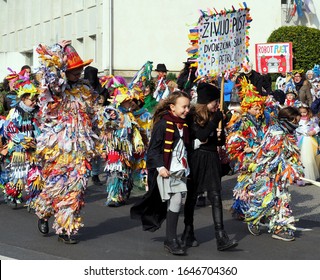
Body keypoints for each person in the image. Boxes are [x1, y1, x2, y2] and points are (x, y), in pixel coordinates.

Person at [33, 40, 98, 244]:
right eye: (73, 70)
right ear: (64, 71)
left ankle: (65, 228)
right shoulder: (55, 91)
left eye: (80, 70)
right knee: (55, 187)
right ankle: (44, 212)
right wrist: (57, 51)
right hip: (58, 147)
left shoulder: (85, 90)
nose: (78, 73)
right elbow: (47, 77)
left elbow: (92, 115)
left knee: (76, 188)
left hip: (80, 147)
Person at [131, 91, 191, 255]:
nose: (187, 110)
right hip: (167, 170)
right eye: (183, 107)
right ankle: (171, 239)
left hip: (180, 171)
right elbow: (153, 150)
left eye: (188, 106)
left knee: (176, 202)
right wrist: (160, 167)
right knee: (176, 201)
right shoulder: (163, 124)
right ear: (172, 107)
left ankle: (170, 238)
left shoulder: (184, 124)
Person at [182, 82, 238, 251]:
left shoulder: (216, 117)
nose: (217, 105)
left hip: (212, 157)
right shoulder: (192, 116)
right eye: (215, 102)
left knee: (215, 195)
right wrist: (215, 122)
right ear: (207, 102)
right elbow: (201, 135)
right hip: (197, 158)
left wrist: (221, 135)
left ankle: (221, 235)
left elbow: (215, 141)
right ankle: (188, 231)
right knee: (192, 196)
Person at [244, 106, 303, 241]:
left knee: (282, 200)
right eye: (294, 121)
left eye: (298, 121)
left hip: (281, 174)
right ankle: (253, 219)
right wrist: (286, 167)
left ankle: (280, 228)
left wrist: (294, 168)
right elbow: (270, 155)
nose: (296, 124)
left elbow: (292, 153)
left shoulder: (290, 133)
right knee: (265, 199)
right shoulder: (276, 132)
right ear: (286, 120)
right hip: (268, 172)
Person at [226, 78, 267, 220]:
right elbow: (233, 139)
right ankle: (240, 208)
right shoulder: (243, 122)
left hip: (259, 155)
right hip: (247, 157)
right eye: (255, 108)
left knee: (259, 182)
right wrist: (245, 148)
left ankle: (257, 208)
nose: (258, 110)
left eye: (259, 108)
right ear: (248, 108)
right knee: (245, 182)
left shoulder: (261, 121)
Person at [1, 75, 41, 209]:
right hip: (19, 148)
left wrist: (39, 139)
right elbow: (9, 128)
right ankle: (12, 194)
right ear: (23, 98)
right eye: (32, 100)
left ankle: (34, 199)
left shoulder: (36, 112)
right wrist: (22, 140)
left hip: (34, 148)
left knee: (36, 174)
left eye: (36, 99)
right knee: (18, 175)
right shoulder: (15, 112)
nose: (34, 102)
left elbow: (39, 128)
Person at [84, 66, 109, 185]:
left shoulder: (102, 90)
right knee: (85, 149)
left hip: (99, 124)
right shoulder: (81, 89)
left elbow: (107, 105)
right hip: (84, 123)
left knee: (97, 150)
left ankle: (95, 174)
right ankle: (84, 173)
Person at [295, 104, 320, 184]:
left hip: (309, 141)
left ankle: (310, 177)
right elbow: (295, 129)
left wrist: (313, 131)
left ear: (308, 112)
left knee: (309, 159)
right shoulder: (297, 120)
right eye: (301, 112)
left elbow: (317, 127)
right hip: (299, 140)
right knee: (300, 159)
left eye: (304, 112)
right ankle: (301, 178)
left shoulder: (311, 120)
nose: (303, 114)